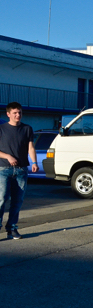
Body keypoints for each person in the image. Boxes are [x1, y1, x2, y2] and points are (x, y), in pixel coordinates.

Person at [0, 102, 37, 240]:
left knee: (18, 200)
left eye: (20, 112)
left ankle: (12, 228)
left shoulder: (27, 129)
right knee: (1, 199)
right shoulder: (1, 129)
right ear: (8, 114)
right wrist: (7, 156)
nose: (18, 115)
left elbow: (30, 147)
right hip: (3, 169)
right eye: (15, 113)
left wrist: (34, 162)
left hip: (21, 170)